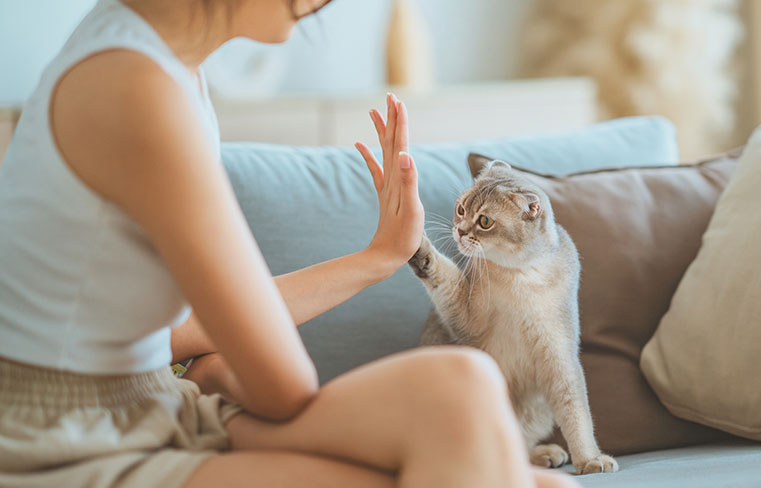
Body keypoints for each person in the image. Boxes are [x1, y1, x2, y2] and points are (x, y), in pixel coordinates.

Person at [0, 1, 581, 487]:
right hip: (70, 439)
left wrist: (379, 257)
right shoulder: (138, 90)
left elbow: (164, 331)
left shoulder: (160, 62)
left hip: (149, 402)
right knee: (469, 421)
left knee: (475, 406)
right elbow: (281, 388)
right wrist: (228, 379)